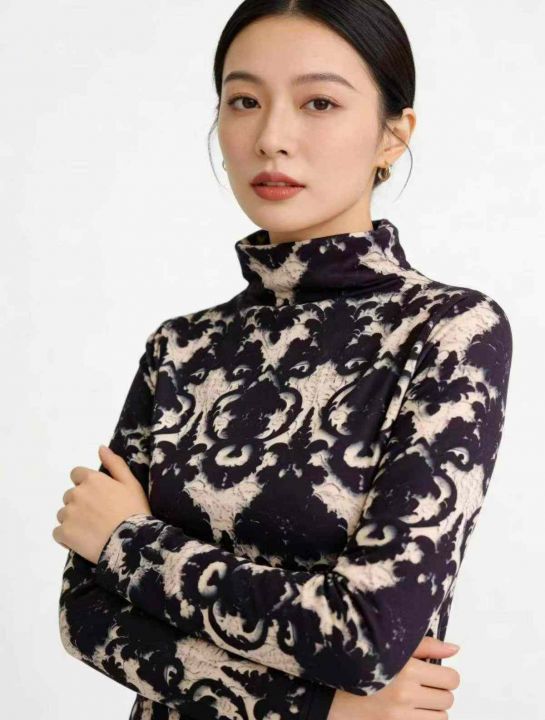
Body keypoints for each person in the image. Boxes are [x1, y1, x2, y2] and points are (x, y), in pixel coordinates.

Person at [53, 2, 513, 719]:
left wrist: (128, 540)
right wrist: (318, 708)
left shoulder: (447, 331)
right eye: (244, 101)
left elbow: (365, 638)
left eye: (318, 103)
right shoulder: (180, 347)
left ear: (393, 134)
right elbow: (86, 617)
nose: (271, 138)